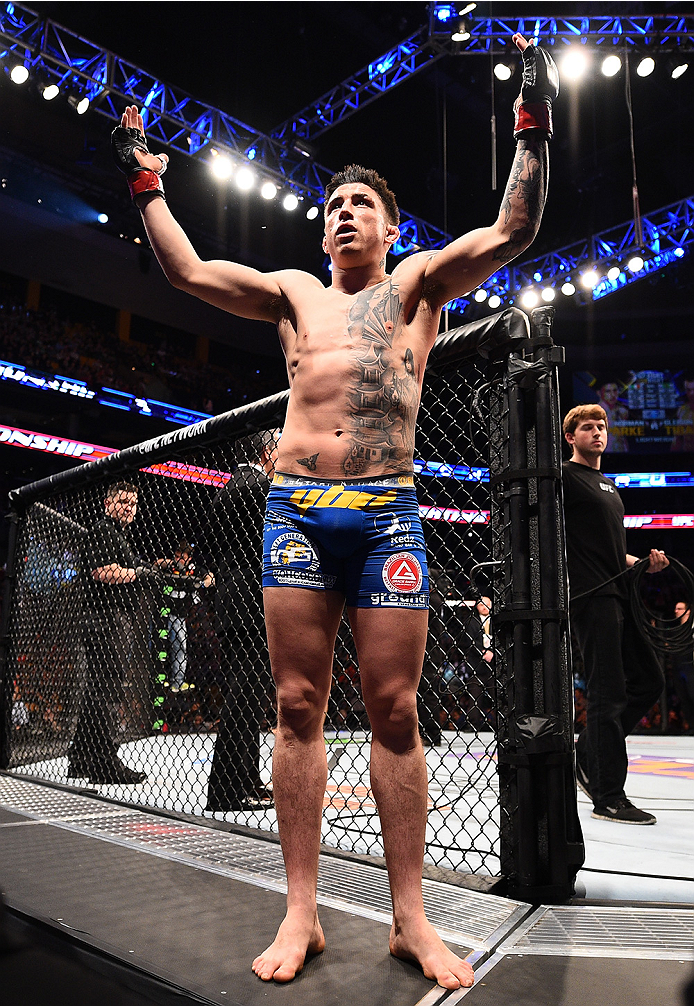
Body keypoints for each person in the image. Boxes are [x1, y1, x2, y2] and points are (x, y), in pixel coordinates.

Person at [112, 34, 557, 989]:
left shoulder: (418, 286)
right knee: (296, 705)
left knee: (396, 709)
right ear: (320, 234)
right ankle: (302, 911)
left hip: (389, 510)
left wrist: (531, 118)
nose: (343, 213)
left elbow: (513, 231)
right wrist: (149, 183)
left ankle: (409, 918)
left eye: (361, 203)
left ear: (391, 228)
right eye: (332, 206)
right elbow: (188, 272)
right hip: (298, 512)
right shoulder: (291, 295)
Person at [562, 405, 667, 825]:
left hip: (619, 592)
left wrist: (642, 561)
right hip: (592, 597)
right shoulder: (564, 479)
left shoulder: (607, 484)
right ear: (571, 437)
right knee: (608, 693)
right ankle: (608, 796)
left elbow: (607, 550)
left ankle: (590, 750)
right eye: (587, 427)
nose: (597, 432)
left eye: (602, 426)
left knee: (649, 680)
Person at [205, 432, 276, 812]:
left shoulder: (226, 489)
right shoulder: (260, 487)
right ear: (266, 451)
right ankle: (227, 790)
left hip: (231, 601)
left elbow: (211, 551)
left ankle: (245, 780)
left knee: (247, 694)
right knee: (245, 697)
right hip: (251, 601)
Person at [68, 481, 148, 785]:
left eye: (133, 504)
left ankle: (80, 759)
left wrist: (150, 567)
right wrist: (139, 573)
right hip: (105, 619)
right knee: (107, 691)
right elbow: (102, 571)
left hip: (104, 619)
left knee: (96, 691)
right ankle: (103, 763)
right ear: (107, 503)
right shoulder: (103, 531)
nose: (128, 508)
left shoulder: (117, 535)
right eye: (123, 502)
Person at [158, 541, 214, 693]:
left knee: (180, 648)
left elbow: (210, 578)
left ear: (189, 558)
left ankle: (177, 682)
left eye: (181, 558)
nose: (178, 560)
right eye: (176, 556)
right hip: (161, 613)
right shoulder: (170, 565)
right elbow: (157, 563)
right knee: (156, 646)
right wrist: (168, 563)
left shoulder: (193, 569)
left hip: (178, 615)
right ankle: (157, 679)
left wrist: (201, 584)